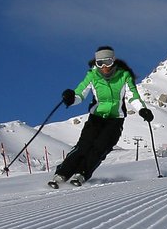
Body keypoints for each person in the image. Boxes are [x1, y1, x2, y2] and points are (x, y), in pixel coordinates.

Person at [50, 46, 153, 187]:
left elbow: (132, 96)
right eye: (100, 63)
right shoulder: (92, 76)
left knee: (101, 147)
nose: (104, 67)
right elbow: (80, 93)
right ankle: (62, 173)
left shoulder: (124, 76)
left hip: (115, 120)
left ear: (113, 61)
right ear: (96, 63)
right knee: (84, 145)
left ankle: (82, 173)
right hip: (96, 118)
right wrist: (71, 98)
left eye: (108, 62)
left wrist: (142, 109)